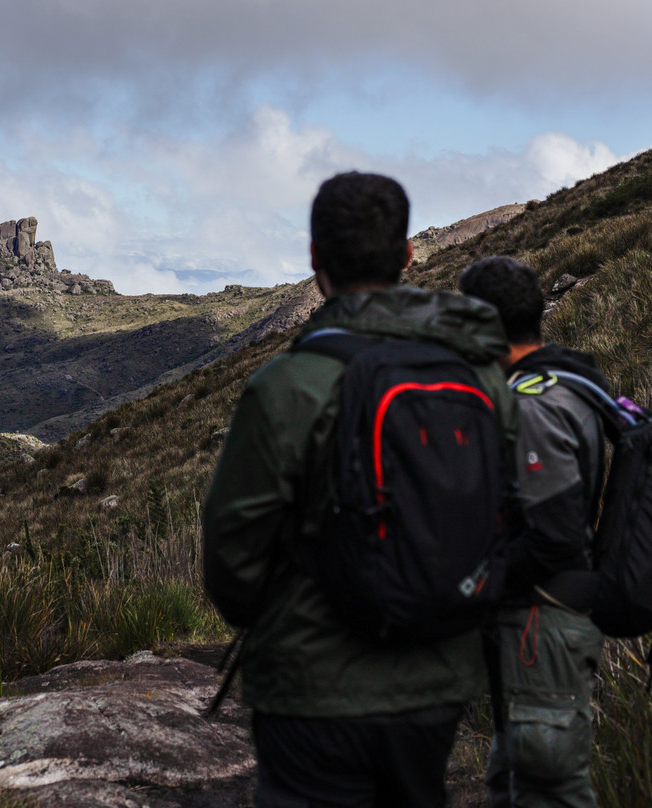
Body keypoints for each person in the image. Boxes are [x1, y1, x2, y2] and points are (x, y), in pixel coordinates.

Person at [203, 172, 517, 808]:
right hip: (438, 680)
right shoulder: (482, 375)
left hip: (311, 691)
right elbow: (510, 511)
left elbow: (232, 562)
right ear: (407, 255)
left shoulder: (288, 384)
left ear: (314, 256)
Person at [459, 256, 606, 808]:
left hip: (541, 624)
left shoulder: (535, 403)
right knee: (512, 779)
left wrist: (477, 581)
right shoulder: (561, 381)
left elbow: (556, 535)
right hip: (538, 624)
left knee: (548, 789)